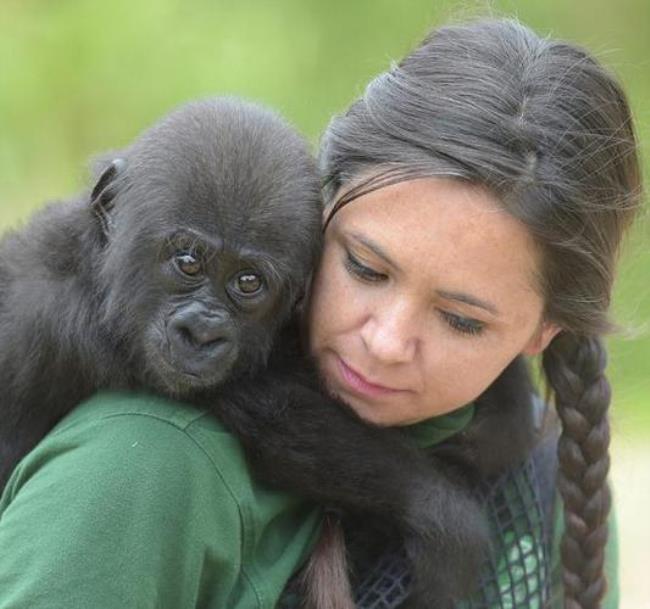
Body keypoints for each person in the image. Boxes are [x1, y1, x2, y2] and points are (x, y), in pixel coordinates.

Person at [0, 17, 640, 609]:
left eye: (463, 321)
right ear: (322, 217)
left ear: (539, 333)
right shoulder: (140, 464)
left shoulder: (548, 483)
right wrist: (422, 499)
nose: (387, 343)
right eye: (364, 268)